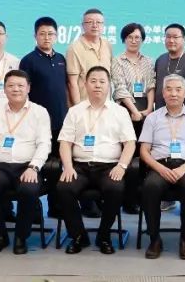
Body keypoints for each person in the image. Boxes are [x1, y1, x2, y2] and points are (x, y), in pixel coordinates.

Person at [57, 66, 136, 255]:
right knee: (64, 188)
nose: (97, 85)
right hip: (80, 167)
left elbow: (130, 143)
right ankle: (78, 236)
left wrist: (122, 166)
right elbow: (65, 142)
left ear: (109, 85)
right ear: (85, 84)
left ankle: (104, 235)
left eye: (102, 81)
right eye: (93, 81)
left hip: (109, 166)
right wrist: (68, 166)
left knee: (115, 188)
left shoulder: (120, 112)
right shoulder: (75, 111)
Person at [0, 70, 52, 255]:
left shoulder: (39, 112)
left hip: (28, 166)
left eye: (20, 85)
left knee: (29, 189)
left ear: (28, 88)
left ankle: (21, 237)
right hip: (0, 167)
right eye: (11, 86)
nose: (16, 89)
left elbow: (44, 144)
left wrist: (34, 167)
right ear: (4, 89)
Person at [138, 74, 185, 260]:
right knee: (150, 186)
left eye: (178, 90)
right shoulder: (152, 118)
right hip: (159, 166)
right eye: (169, 89)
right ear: (163, 93)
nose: (173, 94)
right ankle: (154, 239)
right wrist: (159, 168)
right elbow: (144, 151)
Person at [19, 17, 69, 218]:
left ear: (56, 36)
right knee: (37, 165)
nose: (47, 37)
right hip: (37, 124)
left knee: (57, 166)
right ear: (35, 36)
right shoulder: (28, 60)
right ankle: (34, 209)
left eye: (50, 34)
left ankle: (56, 206)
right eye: (42, 34)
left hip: (60, 122)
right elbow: (23, 92)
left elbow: (65, 88)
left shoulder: (61, 59)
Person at [110, 22, 156, 215]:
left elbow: (151, 85)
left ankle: (143, 197)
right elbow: (120, 88)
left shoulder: (148, 61)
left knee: (146, 156)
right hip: (126, 110)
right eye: (130, 37)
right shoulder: (117, 61)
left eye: (137, 37)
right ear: (124, 39)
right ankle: (128, 200)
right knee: (127, 156)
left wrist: (149, 109)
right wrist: (134, 111)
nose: (134, 40)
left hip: (146, 110)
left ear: (142, 39)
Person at [66, 8, 113, 106]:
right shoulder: (74, 48)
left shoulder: (107, 45)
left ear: (103, 25)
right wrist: (78, 109)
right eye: (90, 22)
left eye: (98, 22)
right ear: (83, 25)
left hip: (106, 106)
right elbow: (72, 83)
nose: (95, 25)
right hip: (85, 106)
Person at [153, 23, 185, 111]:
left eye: (175, 37)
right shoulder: (160, 60)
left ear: (184, 39)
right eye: (168, 37)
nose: (171, 40)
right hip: (160, 114)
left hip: (183, 115)